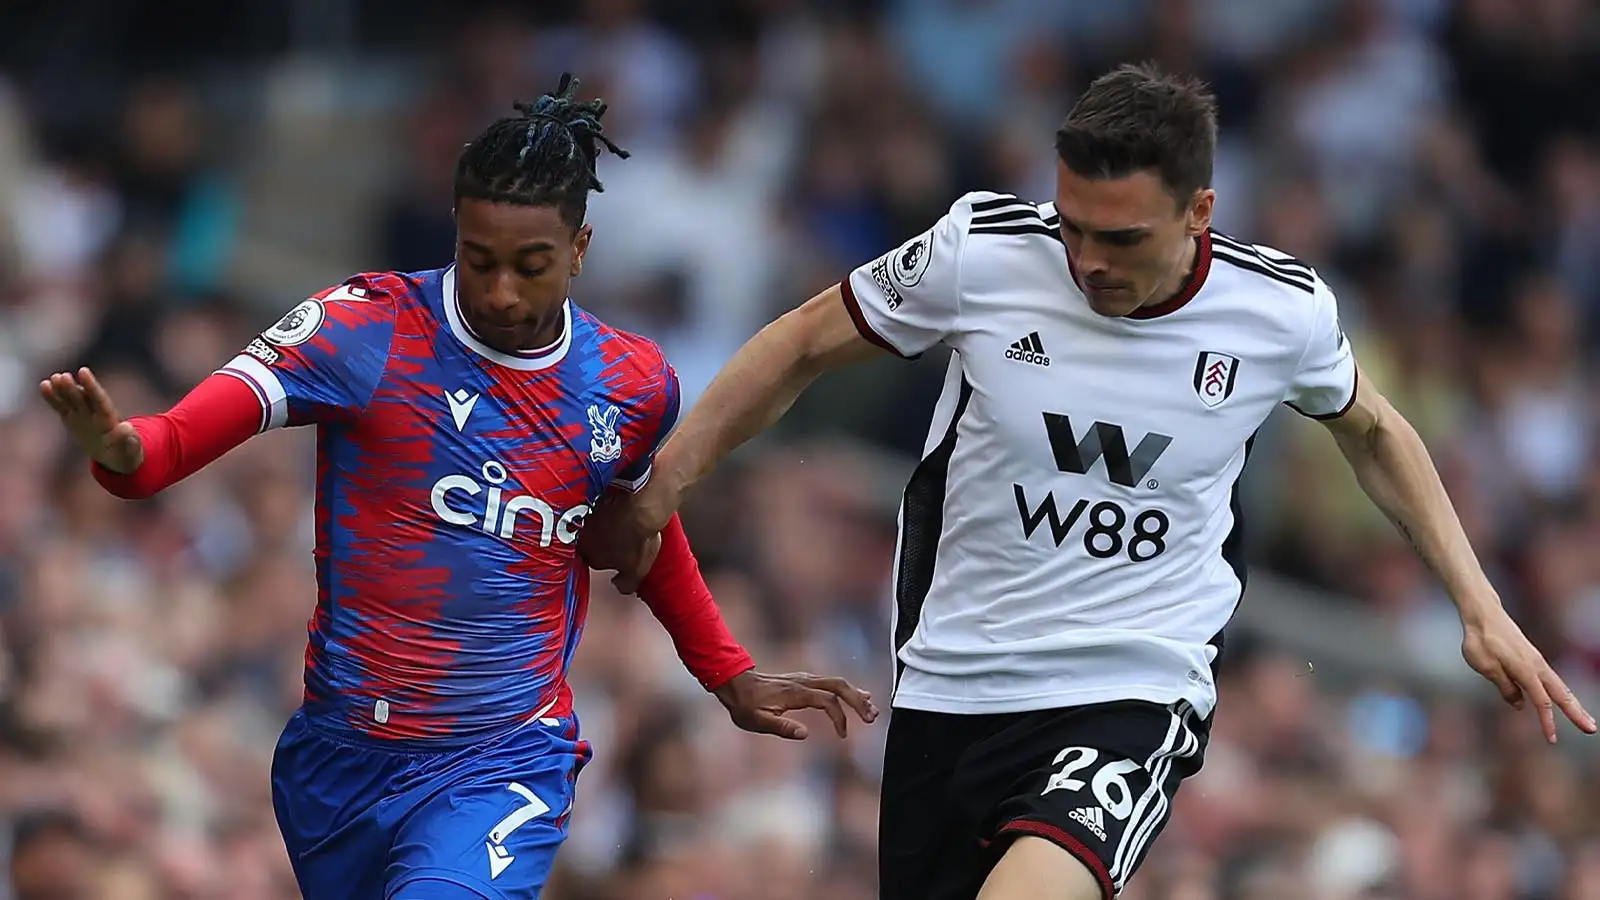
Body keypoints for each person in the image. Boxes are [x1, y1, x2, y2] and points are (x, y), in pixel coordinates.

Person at [584, 63, 1596, 900]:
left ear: (1199, 211)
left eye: (1119, 239)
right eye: (1070, 225)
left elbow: (1374, 429)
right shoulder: (980, 254)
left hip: (1133, 683)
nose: (1084, 260)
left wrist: (1478, 605)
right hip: (952, 682)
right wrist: (663, 488)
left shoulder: (1277, 313)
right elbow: (802, 343)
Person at [39, 74, 875, 900]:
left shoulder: (631, 383)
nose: (502, 291)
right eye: (480, 261)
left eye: (531, 265)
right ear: (453, 231)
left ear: (579, 250)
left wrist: (728, 673)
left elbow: (638, 533)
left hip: (503, 758)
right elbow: (168, 447)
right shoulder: (363, 328)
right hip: (339, 763)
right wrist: (118, 448)